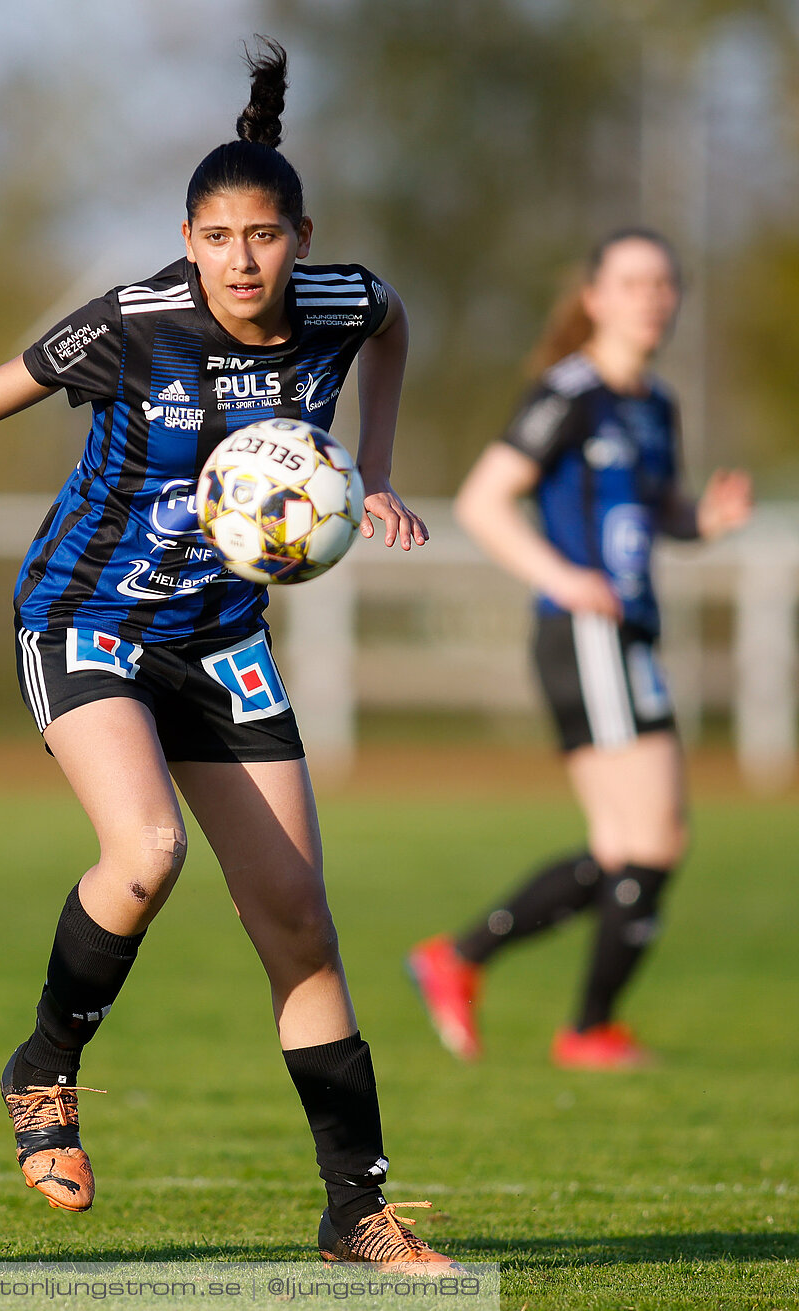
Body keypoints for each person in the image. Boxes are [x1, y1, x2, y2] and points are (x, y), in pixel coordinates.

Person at [0, 40, 455, 1269]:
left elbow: (391, 327)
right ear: (189, 239)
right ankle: (44, 1068)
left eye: (266, 236)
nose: (243, 260)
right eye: (218, 238)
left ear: (300, 234)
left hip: (219, 638)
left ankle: (357, 1216)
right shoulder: (132, 324)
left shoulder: (344, 302)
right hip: (87, 618)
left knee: (297, 923)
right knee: (150, 849)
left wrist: (374, 472)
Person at [407, 229, 751, 1070]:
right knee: (656, 838)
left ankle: (461, 959)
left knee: (622, 847)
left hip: (627, 629)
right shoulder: (568, 392)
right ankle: (587, 1028)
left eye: (665, 283)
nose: (653, 297)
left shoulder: (654, 402)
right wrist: (563, 578)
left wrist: (699, 522)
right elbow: (485, 501)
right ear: (594, 297)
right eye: (633, 282)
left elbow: (654, 509)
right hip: (585, 634)